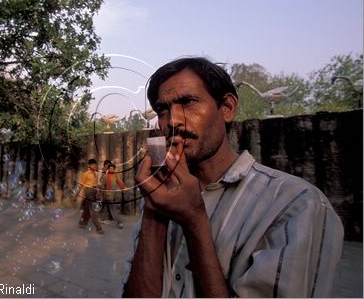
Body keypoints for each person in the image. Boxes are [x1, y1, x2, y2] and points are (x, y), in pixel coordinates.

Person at [121, 57, 344, 297]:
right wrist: (154, 212)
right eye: (163, 110)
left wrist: (194, 220)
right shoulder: (160, 196)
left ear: (227, 108)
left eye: (188, 102)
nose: (172, 121)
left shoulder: (296, 204)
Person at [78, 158, 104, 234]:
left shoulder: (96, 173)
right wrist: (76, 194)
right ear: (89, 165)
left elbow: (97, 184)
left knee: (87, 208)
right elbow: (81, 184)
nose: (94, 166)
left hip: (95, 191)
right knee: (93, 209)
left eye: (95, 164)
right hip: (88, 191)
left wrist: (98, 192)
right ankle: (98, 228)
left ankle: (82, 223)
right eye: (92, 164)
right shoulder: (85, 174)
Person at [100, 163, 128, 229]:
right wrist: (102, 194)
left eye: (112, 168)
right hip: (108, 195)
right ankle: (119, 222)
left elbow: (120, 182)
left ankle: (102, 218)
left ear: (114, 169)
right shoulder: (105, 176)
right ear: (108, 169)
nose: (111, 169)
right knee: (113, 209)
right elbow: (101, 186)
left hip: (113, 195)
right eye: (110, 168)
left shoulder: (116, 175)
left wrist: (124, 187)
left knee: (106, 207)